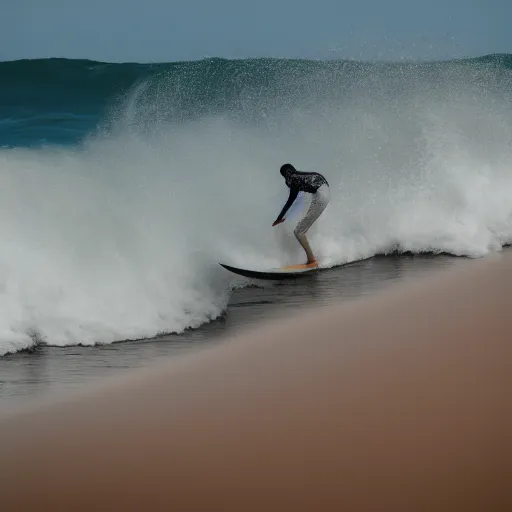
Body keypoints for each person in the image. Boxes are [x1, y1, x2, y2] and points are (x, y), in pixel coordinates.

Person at [272, 163, 330, 267]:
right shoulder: (300, 176)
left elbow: (290, 200)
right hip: (323, 191)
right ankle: (317, 256)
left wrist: (279, 218)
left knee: (298, 231)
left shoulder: (292, 178)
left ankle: (312, 260)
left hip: (320, 195)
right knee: (302, 228)